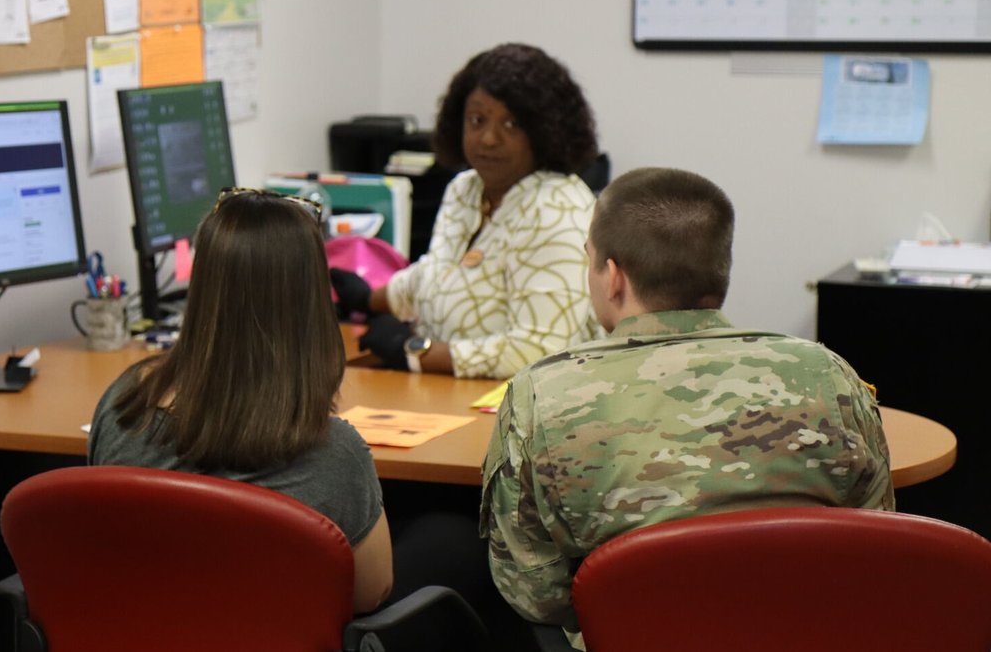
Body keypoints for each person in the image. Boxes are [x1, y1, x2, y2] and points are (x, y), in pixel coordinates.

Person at [480, 167, 895, 649]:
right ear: (720, 272)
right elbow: (877, 547)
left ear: (612, 277)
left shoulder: (542, 396)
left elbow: (533, 592)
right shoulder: (828, 375)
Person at [88, 188, 392, 614]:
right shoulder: (336, 455)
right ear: (311, 305)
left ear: (202, 291)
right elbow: (370, 593)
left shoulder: (124, 409)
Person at [332, 42, 601, 379]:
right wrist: (366, 298)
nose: (488, 138)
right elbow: (440, 277)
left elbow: (541, 351)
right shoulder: (465, 188)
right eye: (477, 120)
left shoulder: (557, 208)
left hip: (530, 401)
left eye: (511, 124)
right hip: (449, 392)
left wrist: (415, 352)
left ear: (545, 131)